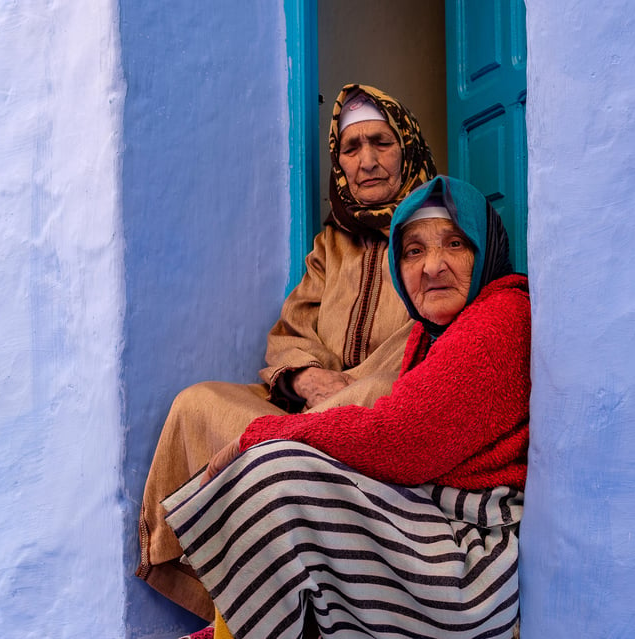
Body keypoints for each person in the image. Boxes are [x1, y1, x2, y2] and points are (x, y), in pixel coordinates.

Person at [163, 175, 531, 639]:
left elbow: (405, 442)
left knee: (278, 475)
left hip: (472, 569)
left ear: (484, 248)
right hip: (428, 529)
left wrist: (270, 433)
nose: (432, 265)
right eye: (413, 251)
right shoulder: (428, 331)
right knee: (290, 494)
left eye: (454, 243)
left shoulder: (502, 313)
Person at [137, 84, 437, 621]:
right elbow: (292, 327)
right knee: (197, 402)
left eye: (380, 143)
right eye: (350, 148)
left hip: (383, 406)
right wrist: (303, 377)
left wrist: (359, 385)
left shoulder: (433, 232)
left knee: (357, 402)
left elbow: (430, 331)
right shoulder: (331, 243)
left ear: (406, 148)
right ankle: (239, 594)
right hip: (309, 402)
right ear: (339, 162)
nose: (366, 161)